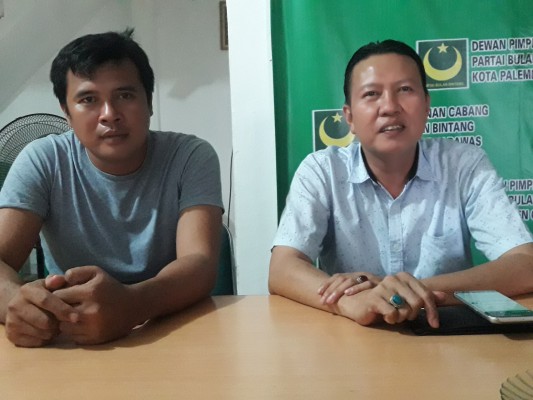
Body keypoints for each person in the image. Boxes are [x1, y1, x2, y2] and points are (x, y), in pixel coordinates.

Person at [269, 39, 533, 329]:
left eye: (405, 90)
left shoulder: (464, 165)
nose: (389, 107)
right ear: (350, 117)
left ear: (427, 105)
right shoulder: (323, 170)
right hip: (354, 334)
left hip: (445, 333)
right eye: (371, 94)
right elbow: (282, 268)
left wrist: (406, 291)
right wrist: (351, 301)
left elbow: (525, 264)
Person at [0, 29, 224, 347]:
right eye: (88, 100)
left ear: (149, 102)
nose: (110, 115)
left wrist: (131, 305)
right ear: (66, 113)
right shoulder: (43, 160)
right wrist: (17, 304)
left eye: (125, 95)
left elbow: (199, 262)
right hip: (75, 333)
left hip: (172, 328)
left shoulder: (190, 156)